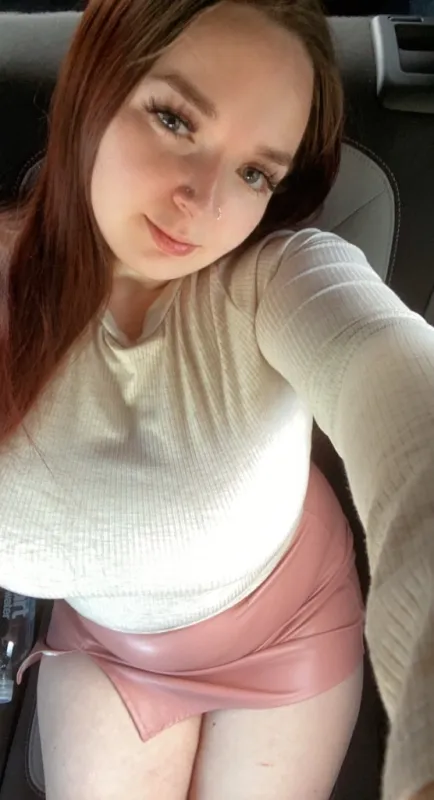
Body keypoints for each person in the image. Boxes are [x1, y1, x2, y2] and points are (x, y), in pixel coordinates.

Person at [0, 0, 433, 798]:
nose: (204, 203)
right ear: (95, 86)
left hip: (292, 623)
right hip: (112, 649)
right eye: (174, 120)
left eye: (255, 172)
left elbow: (395, 380)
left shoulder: (276, 279)